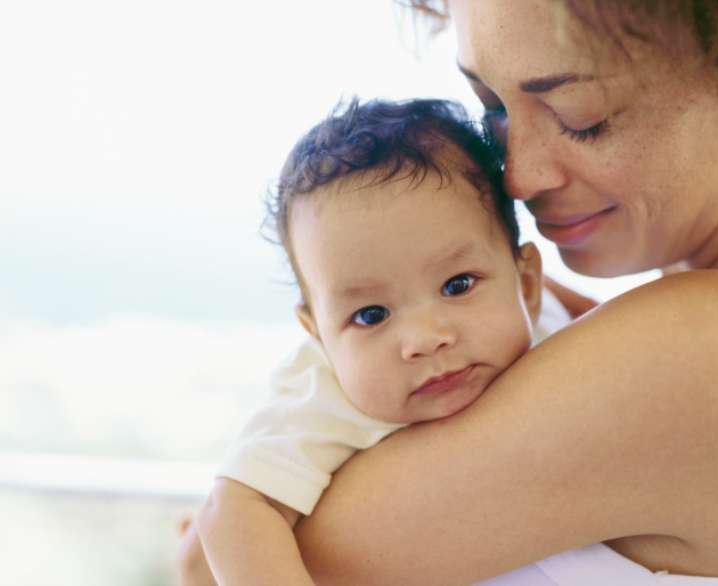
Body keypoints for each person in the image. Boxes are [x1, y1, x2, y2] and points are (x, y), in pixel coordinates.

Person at [277, 1, 718, 585]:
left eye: (579, 115)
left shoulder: (715, 348)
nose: (516, 176)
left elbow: (225, 563)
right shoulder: (578, 325)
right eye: (495, 111)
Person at [182, 97, 573, 585]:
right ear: (320, 337)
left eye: (458, 285)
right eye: (371, 315)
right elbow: (232, 511)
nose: (426, 340)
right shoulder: (324, 396)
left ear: (527, 285)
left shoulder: (548, 322)